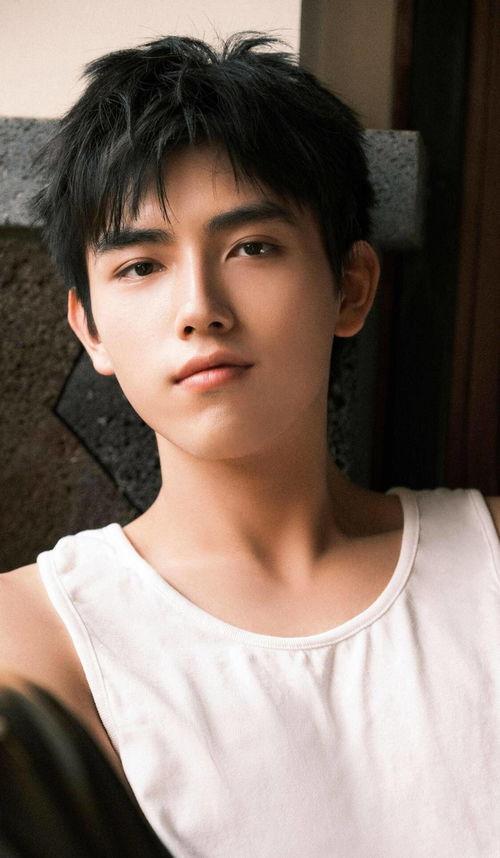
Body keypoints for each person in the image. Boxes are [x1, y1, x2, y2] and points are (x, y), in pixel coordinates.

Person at [1, 31, 499, 858]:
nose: (200, 307)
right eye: (140, 266)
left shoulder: (487, 564)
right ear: (89, 327)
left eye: (252, 248)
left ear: (350, 287)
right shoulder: (32, 635)